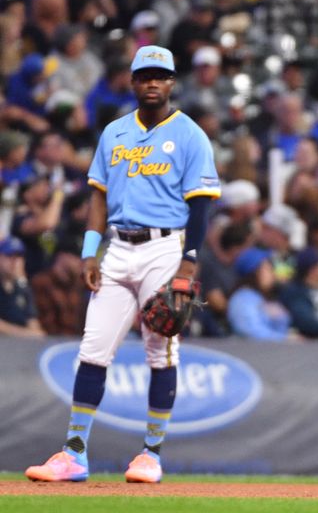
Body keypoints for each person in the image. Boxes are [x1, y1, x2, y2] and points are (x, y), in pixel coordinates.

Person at [25, 46, 220, 484]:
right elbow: (99, 195)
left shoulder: (189, 135)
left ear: (171, 83)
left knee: (159, 348)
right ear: (133, 82)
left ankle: (151, 454)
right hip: (118, 246)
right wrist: (89, 251)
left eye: (161, 75)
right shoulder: (114, 133)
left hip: (165, 248)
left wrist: (189, 262)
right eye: (144, 75)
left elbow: (202, 206)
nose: (153, 82)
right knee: (92, 349)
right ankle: (74, 453)